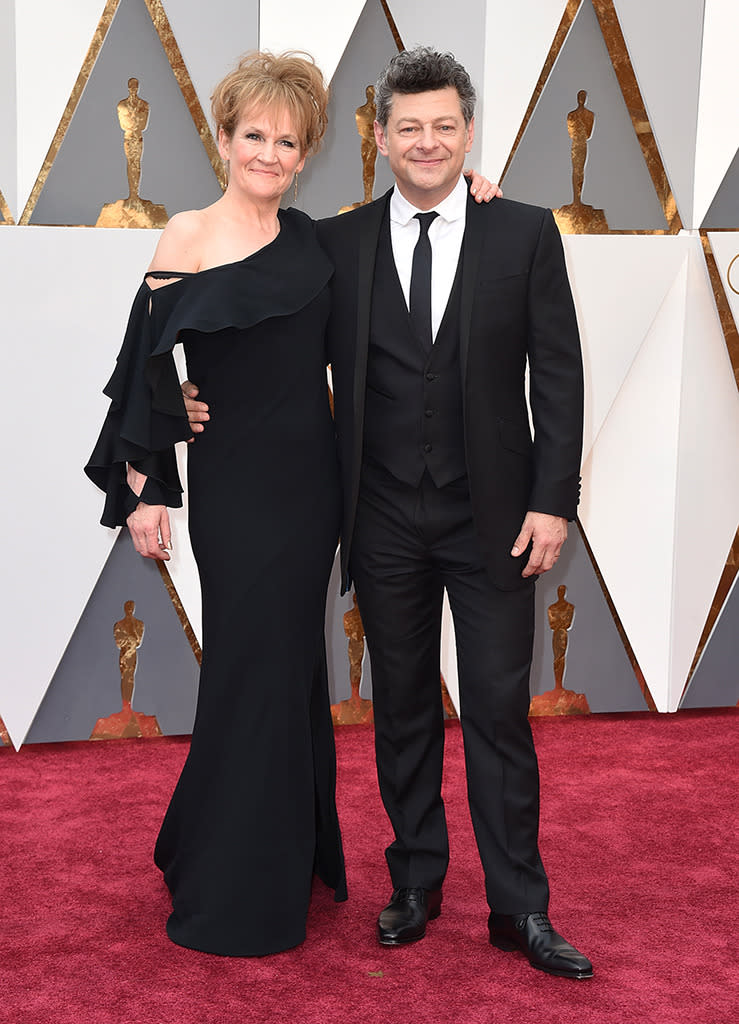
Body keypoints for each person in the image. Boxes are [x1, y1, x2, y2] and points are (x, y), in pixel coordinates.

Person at [185, 47, 591, 979]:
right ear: (379, 138)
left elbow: (558, 381)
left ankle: (519, 909)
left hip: (495, 521)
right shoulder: (336, 243)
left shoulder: (523, 232)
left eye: (444, 124)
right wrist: (190, 401)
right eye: (408, 125)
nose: (427, 140)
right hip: (378, 519)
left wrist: (551, 503)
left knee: (496, 711)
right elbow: (255, 327)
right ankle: (414, 883)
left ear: (468, 132)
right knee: (401, 710)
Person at [86, 52, 346, 957]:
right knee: (249, 666)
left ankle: (274, 850)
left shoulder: (319, 242)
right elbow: (145, 377)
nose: (268, 154)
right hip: (234, 487)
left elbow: (411, 237)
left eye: (287, 141)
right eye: (254, 136)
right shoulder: (187, 237)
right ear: (224, 138)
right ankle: (235, 875)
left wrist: (477, 186)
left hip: (309, 486)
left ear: (304, 153)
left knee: (284, 667)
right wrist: (148, 488)